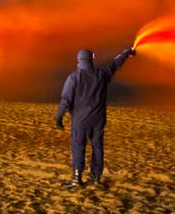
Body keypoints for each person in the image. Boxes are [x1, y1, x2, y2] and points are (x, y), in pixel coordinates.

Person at [55, 47, 136, 188]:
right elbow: (116, 62)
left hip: (80, 121)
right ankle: (96, 178)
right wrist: (127, 52)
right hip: (98, 120)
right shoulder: (102, 74)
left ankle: (76, 179)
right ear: (91, 59)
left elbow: (65, 99)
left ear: (79, 59)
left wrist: (59, 117)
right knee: (97, 147)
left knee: (78, 147)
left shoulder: (74, 77)